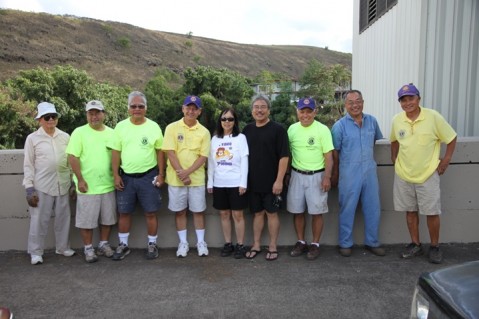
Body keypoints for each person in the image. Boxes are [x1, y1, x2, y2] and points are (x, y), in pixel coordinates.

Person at [390, 83, 457, 264]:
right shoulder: (397, 119)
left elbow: (451, 138)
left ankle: (434, 246)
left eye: (411, 98)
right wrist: (394, 158)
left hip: (427, 175)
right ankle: (416, 244)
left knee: (432, 212)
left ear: (418, 99)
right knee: (410, 211)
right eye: (403, 100)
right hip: (404, 175)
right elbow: (394, 140)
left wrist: (446, 160)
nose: (407, 103)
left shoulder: (433, 117)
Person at [107, 91, 165, 260]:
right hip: (126, 177)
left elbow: (160, 152)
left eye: (140, 106)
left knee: (151, 212)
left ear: (146, 108)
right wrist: (116, 175)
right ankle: (123, 245)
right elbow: (116, 153)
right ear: (128, 109)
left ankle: (152, 244)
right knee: (124, 212)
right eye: (133, 106)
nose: (137, 109)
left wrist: (161, 174)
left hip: (149, 176)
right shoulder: (120, 127)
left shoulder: (153, 126)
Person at [331, 90, 385, 257]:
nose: (355, 105)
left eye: (358, 101)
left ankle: (372, 242)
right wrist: (335, 175)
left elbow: (375, 141)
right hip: (348, 172)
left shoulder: (372, 121)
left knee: (373, 208)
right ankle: (345, 243)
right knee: (347, 208)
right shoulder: (339, 126)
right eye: (350, 102)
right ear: (345, 105)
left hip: (369, 170)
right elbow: (334, 152)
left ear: (363, 102)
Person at [23, 102, 75, 265]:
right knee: (39, 219)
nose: (51, 119)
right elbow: (28, 164)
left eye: (54, 116)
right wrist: (29, 187)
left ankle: (62, 247)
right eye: (47, 117)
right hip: (42, 185)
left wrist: (73, 182)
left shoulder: (65, 137)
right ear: (40, 120)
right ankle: (36, 252)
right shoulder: (32, 139)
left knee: (63, 218)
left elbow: (70, 162)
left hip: (63, 184)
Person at [66, 100, 117, 263]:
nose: (94, 116)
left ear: (104, 114)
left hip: (108, 185)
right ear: (87, 115)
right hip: (87, 186)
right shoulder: (79, 133)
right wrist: (79, 179)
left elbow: (116, 157)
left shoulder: (112, 133)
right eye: (91, 113)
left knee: (107, 219)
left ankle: (103, 244)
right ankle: (88, 248)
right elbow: (72, 157)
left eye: (97, 113)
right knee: (86, 222)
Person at [162, 95, 211, 258]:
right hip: (176, 180)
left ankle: (200, 243)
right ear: (183, 109)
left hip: (196, 180)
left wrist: (187, 173)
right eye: (188, 108)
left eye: (194, 108)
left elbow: (203, 157)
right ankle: (183, 243)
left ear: (199, 111)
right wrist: (182, 175)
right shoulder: (171, 128)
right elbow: (170, 152)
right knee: (180, 212)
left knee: (198, 212)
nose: (191, 111)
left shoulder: (204, 132)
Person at [242, 95, 289, 261]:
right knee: (257, 214)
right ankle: (256, 245)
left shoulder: (278, 130)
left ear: (268, 110)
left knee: (272, 213)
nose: (259, 110)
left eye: (263, 107)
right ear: (252, 110)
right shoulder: (247, 130)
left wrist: (279, 180)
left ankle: (273, 246)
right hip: (253, 182)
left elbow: (284, 157)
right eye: (256, 107)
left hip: (272, 183)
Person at [287, 98, 334, 260]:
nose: (305, 115)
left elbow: (329, 157)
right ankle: (301, 241)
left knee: (316, 212)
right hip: (296, 175)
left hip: (317, 176)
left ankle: (315, 244)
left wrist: (327, 177)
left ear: (315, 112)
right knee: (297, 211)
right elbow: (287, 154)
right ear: (297, 112)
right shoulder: (291, 129)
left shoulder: (322, 130)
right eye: (302, 111)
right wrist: (287, 175)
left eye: (309, 111)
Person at [207, 108, 249, 259]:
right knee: (224, 214)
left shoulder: (241, 138)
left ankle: (240, 245)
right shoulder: (214, 139)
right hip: (219, 183)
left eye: (230, 119)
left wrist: (243, 183)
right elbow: (211, 162)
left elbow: (245, 161)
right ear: (220, 121)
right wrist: (210, 182)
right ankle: (228, 243)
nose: (227, 122)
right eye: (224, 119)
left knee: (238, 215)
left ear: (235, 121)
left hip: (236, 183)